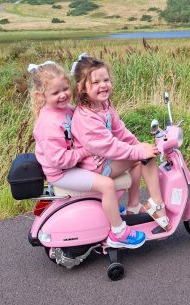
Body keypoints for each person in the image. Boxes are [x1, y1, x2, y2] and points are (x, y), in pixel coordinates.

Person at [28, 60, 146, 249]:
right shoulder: (47, 123)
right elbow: (58, 160)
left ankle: (118, 209)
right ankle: (118, 232)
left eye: (65, 89)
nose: (63, 95)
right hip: (62, 173)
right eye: (55, 92)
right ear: (40, 96)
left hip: (74, 165)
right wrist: (86, 152)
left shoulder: (66, 110)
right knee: (106, 184)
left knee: (129, 162)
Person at [70, 54, 171, 245]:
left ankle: (133, 205)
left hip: (104, 159)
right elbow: (109, 146)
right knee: (145, 158)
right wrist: (140, 152)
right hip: (96, 166)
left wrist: (138, 144)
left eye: (106, 80)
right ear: (82, 88)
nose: (103, 85)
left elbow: (120, 130)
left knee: (141, 154)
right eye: (96, 82)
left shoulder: (104, 105)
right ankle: (157, 205)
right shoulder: (86, 117)